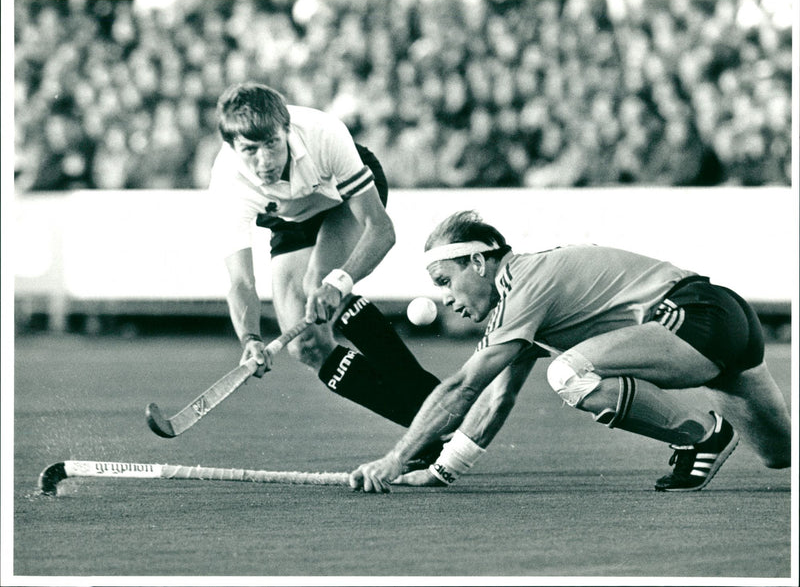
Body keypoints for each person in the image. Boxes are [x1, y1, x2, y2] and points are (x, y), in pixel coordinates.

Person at [349, 210, 791, 493]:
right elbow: (494, 398)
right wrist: (443, 470)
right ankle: (705, 437)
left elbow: (463, 386)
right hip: (724, 321)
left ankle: (700, 436)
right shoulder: (522, 308)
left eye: (445, 281)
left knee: (567, 373)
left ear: (479, 263)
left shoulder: (521, 286)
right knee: (781, 455)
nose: (446, 298)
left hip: (695, 319)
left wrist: (395, 459)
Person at [209, 83, 444, 458]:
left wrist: (339, 282)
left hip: (343, 198)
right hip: (289, 217)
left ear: (286, 130)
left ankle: (434, 415)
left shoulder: (323, 133)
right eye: (249, 150)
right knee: (305, 344)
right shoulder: (227, 184)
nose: (264, 160)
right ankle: (431, 424)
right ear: (233, 148)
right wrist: (250, 338)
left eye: (271, 143)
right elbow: (240, 280)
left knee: (318, 283)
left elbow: (381, 230)